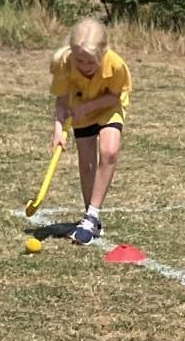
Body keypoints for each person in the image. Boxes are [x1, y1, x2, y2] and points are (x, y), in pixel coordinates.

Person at [50, 19, 131, 245]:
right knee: (86, 163)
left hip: (108, 108)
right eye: (79, 60)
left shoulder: (116, 65)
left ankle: (92, 216)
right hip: (80, 113)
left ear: (103, 53)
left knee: (109, 151)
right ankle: (91, 218)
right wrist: (58, 130)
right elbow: (61, 102)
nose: (84, 66)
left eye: (90, 62)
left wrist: (88, 107)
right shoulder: (63, 63)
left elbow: (114, 97)